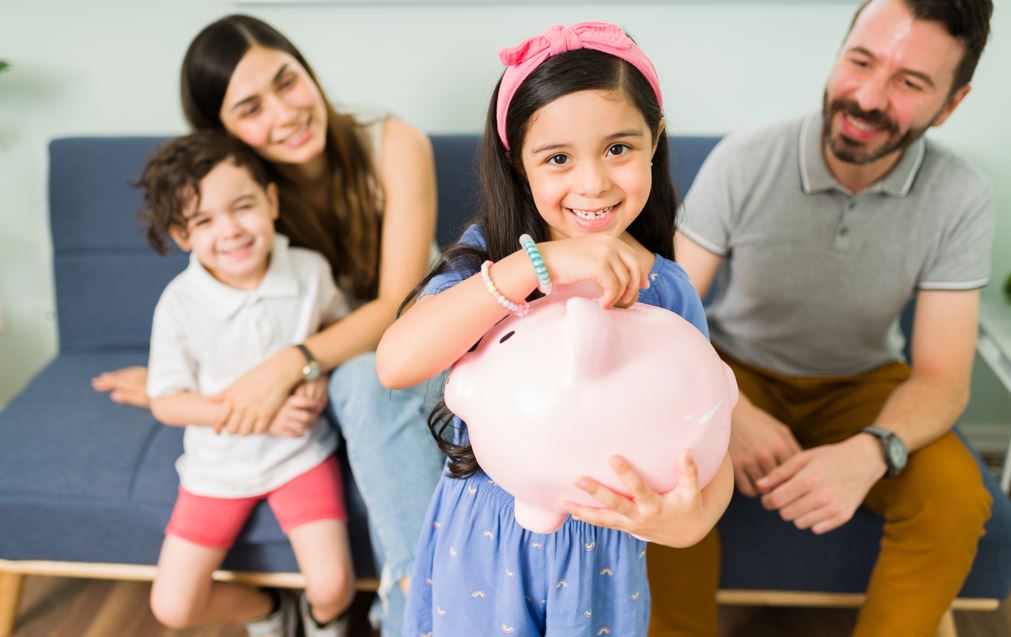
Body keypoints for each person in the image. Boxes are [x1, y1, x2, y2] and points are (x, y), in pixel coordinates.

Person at [649, 1, 996, 636]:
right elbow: (665, 323)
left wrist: (872, 451)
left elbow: (943, 377)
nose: (867, 96)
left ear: (951, 104)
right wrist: (730, 409)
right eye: (861, 62)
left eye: (909, 82)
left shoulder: (961, 197)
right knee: (663, 454)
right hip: (733, 370)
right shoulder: (746, 159)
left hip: (862, 384)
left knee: (954, 496)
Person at [376, 22, 734, 637]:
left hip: (604, 551)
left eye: (618, 149)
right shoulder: (489, 258)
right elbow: (396, 362)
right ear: (519, 164)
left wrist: (695, 518)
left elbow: (707, 429)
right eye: (559, 158)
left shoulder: (667, 288)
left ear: (656, 141)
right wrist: (538, 265)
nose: (592, 183)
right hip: (482, 544)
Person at [91, 15, 445, 636]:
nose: (284, 114)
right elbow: (234, 312)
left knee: (365, 381)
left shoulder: (392, 142)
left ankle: (420, 610)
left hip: (419, 342)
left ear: (306, 68)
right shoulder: (240, 195)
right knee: (356, 381)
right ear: (222, 131)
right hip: (335, 367)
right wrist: (190, 390)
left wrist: (295, 362)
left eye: (288, 81)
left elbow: (396, 304)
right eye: (250, 107)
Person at [141, 132, 354, 636]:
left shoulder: (309, 272)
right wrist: (254, 413)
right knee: (173, 606)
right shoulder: (179, 303)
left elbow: (339, 334)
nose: (231, 230)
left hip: (299, 457)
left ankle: (323, 622)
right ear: (181, 234)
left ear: (271, 201)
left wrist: (315, 374)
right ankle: (270, 611)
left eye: (243, 207)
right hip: (217, 469)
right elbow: (166, 403)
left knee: (332, 585)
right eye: (205, 221)